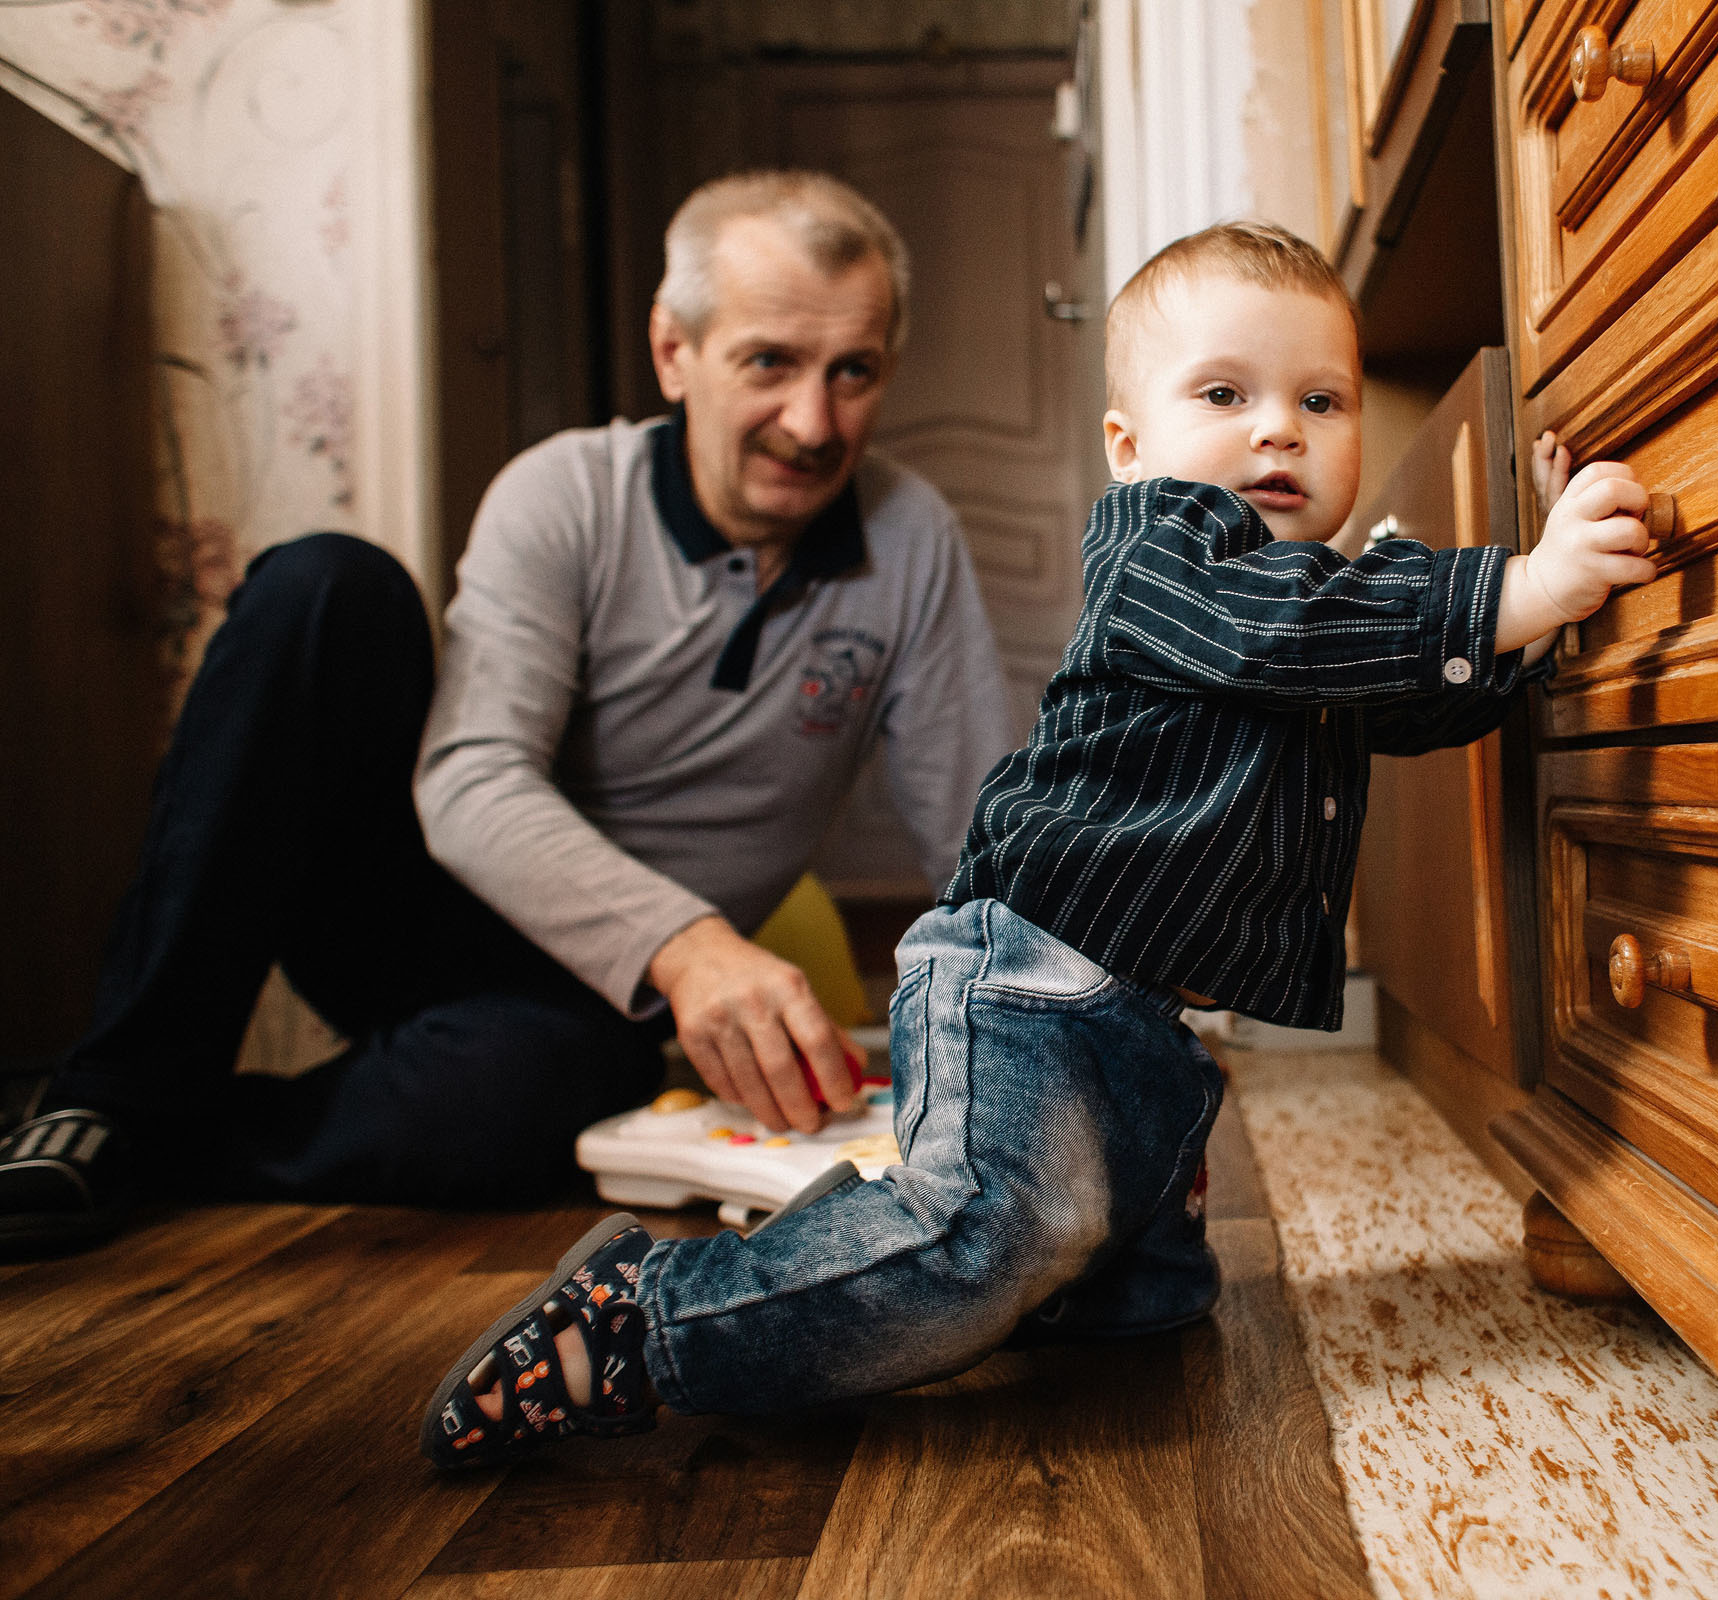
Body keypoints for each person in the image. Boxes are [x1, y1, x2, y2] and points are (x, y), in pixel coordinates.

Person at [417, 219, 1657, 1467]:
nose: (1279, 427)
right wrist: (1518, 586)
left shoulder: (1316, 598)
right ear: (1131, 448)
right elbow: (1270, 632)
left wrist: (1548, 611)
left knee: (1141, 1296)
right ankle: (642, 1321)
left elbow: (1406, 690)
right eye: (1226, 394)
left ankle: (919, 1256)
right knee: (991, 1238)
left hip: (1138, 1016)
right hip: (1026, 980)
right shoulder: (1163, 557)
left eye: (1320, 401)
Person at [0, 171, 1014, 1257]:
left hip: (581, 1009)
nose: (812, 423)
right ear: (674, 351)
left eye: (853, 372)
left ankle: (165, 1151)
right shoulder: (564, 493)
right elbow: (471, 775)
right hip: (421, 905)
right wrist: (689, 947)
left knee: (541, 1102)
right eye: (769, 362)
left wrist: (1091, 1017)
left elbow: (983, 831)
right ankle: (110, 1093)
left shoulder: (910, 536)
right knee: (325, 587)